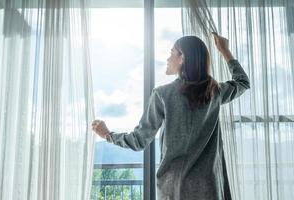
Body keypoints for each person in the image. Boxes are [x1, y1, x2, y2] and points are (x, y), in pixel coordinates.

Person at [92, 33, 250, 200]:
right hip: (209, 187)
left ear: (182, 58)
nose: (168, 59)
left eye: (171, 52)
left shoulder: (162, 94)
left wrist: (108, 135)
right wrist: (225, 51)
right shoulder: (215, 92)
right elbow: (243, 82)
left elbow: (139, 140)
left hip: (175, 188)